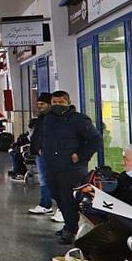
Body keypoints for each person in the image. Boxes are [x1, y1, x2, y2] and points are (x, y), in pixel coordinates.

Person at [40, 90, 103, 244]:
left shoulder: (79, 120)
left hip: (71, 168)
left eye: (61, 102)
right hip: (51, 165)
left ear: (68, 103)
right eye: (54, 102)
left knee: (69, 199)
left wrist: (80, 155)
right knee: (56, 195)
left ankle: (71, 229)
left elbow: (96, 140)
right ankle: (69, 224)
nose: (57, 105)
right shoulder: (48, 119)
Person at [28, 93, 55, 215]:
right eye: (38, 104)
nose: (39, 106)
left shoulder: (53, 119)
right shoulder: (41, 118)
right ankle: (45, 204)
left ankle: (61, 209)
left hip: (50, 154)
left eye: (42, 104)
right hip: (41, 154)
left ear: (50, 104)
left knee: (56, 181)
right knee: (44, 179)